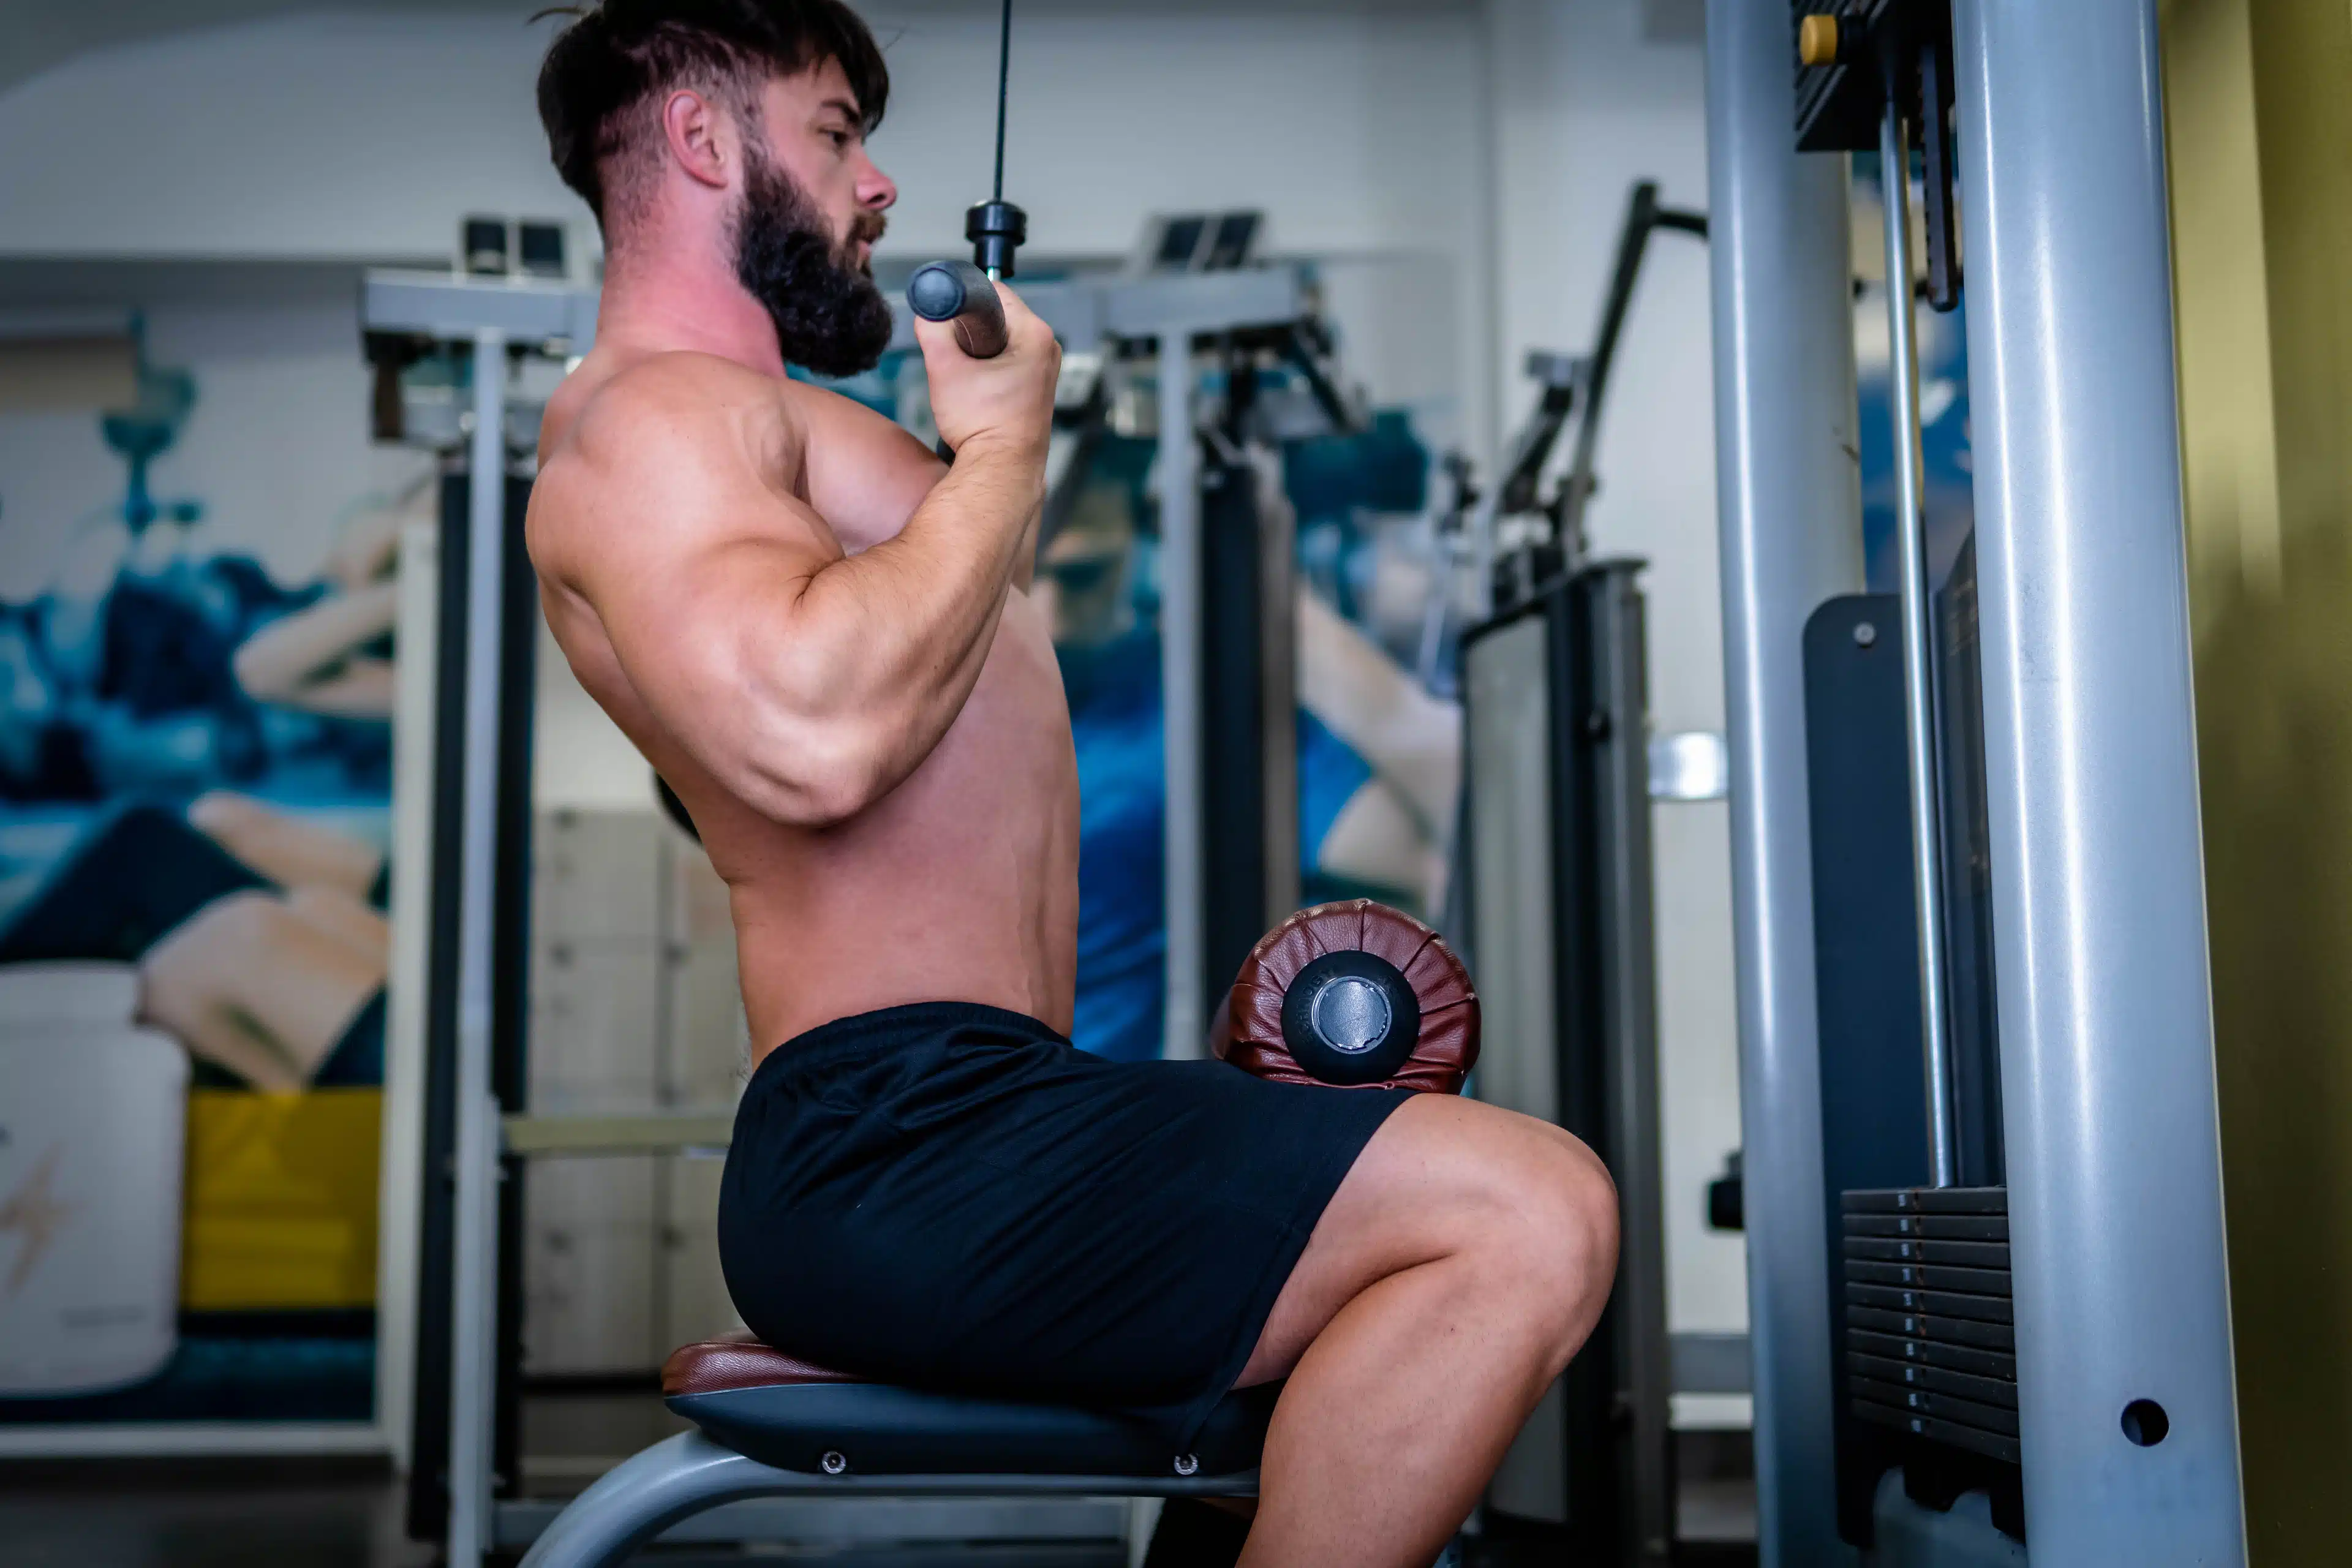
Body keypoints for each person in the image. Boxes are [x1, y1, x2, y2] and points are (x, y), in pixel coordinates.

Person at [525, 5, 1617, 1564]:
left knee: (1379, 1295)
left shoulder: (774, 432)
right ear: (704, 142)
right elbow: (813, 737)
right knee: (1528, 1207)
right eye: (837, 131)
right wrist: (1006, 459)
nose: (880, 183)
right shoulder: (654, 421)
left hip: (978, 1107)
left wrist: (986, 465)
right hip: (903, 1140)